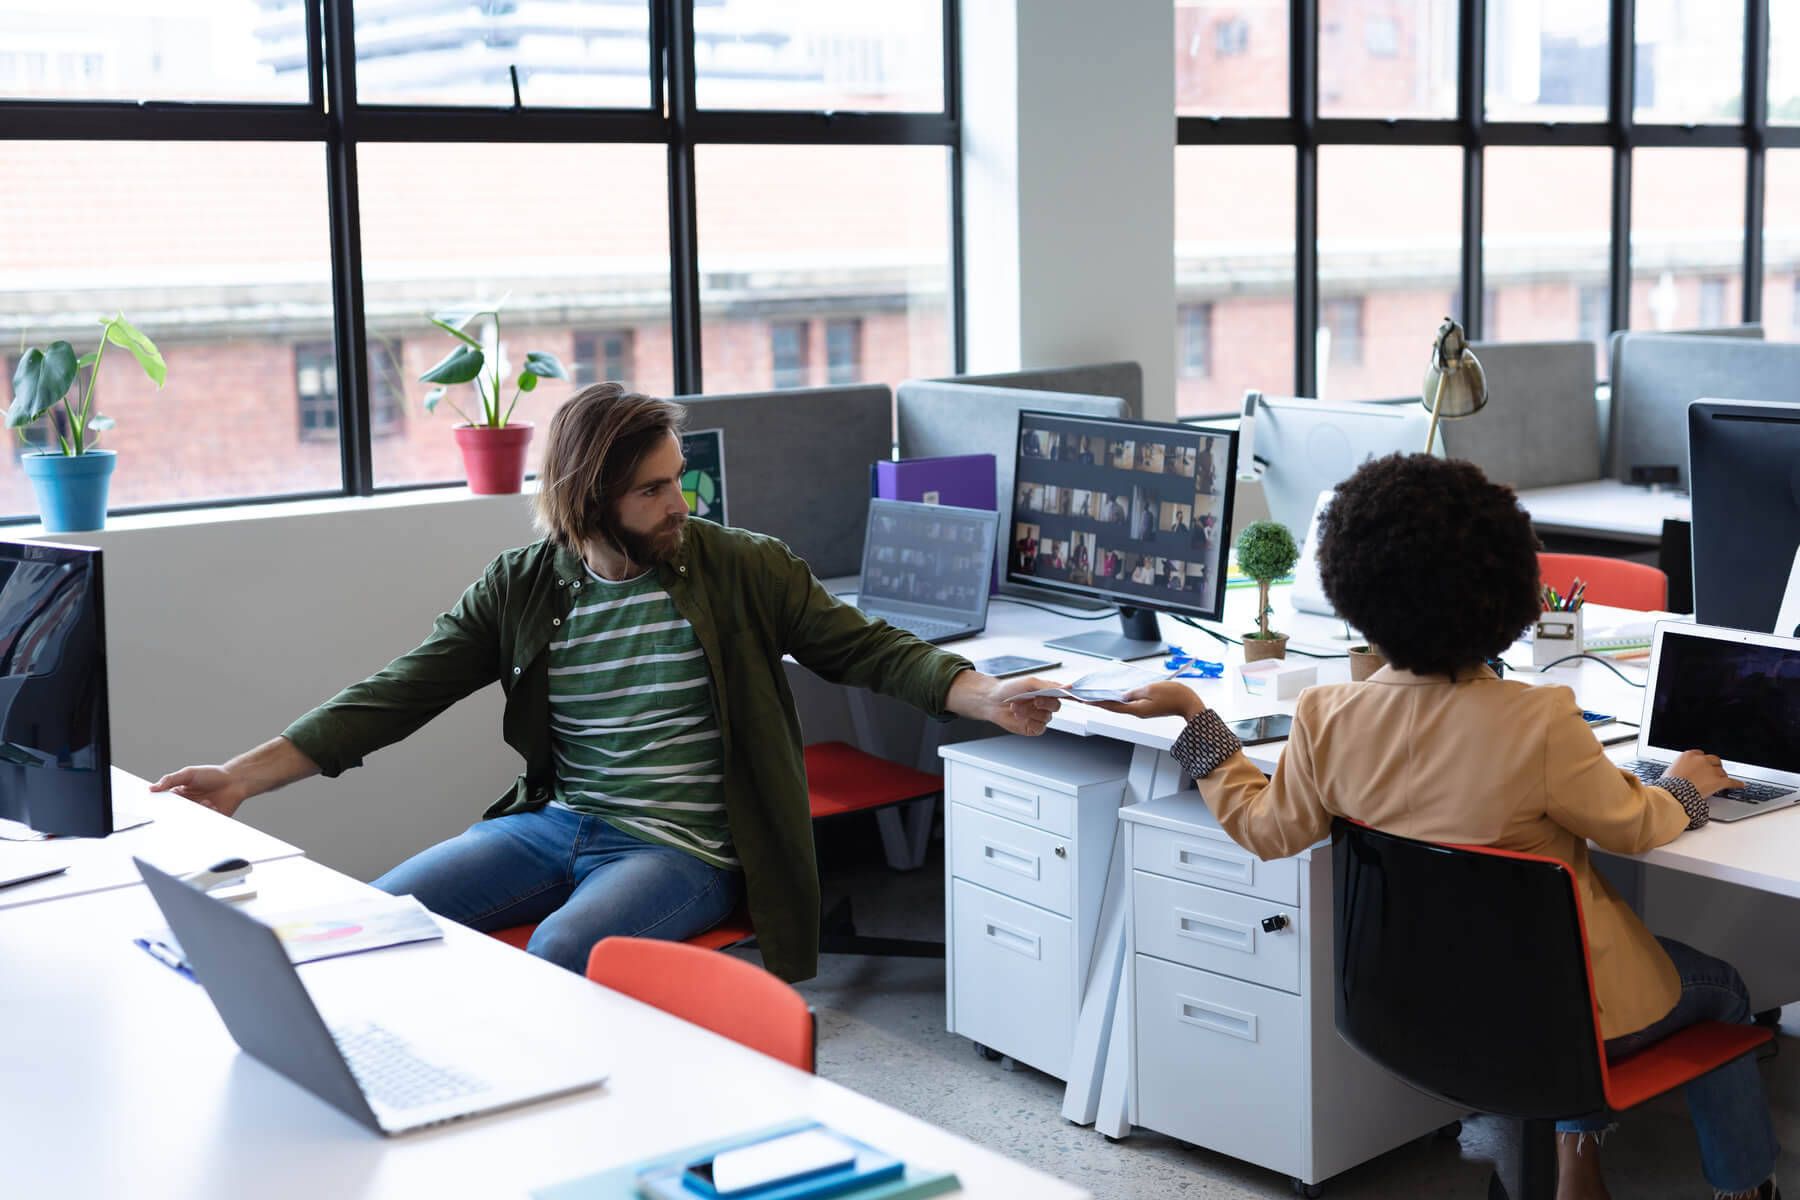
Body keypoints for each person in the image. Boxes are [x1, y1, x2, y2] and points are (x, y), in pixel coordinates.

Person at [152, 384, 1062, 982]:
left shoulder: (743, 567)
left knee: (562, 952)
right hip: (554, 824)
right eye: (653, 492)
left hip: (684, 849)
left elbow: (871, 650)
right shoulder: (522, 586)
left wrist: (981, 694)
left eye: (676, 481)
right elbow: (394, 696)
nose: (680, 505)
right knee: (370, 920)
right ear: (590, 501)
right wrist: (238, 779)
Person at [1092, 453, 1779, 1200]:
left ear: (1356, 593)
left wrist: (1196, 717)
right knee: (1724, 987)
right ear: (1507, 591)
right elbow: (1633, 827)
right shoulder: (1539, 720)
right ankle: (1746, 1190)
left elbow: (1266, 829)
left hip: (1413, 1014)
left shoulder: (1328, 716)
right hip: (1554, 1016)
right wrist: (1685, 787)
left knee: (1553, 983)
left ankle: (1576, 1166)